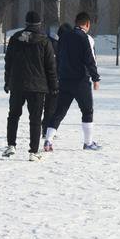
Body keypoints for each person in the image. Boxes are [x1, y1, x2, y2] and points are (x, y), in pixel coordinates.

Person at [3, 11, 58, 161]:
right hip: (37, 86)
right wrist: (53, 86)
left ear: (26, 23)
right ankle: (33, 151)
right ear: (39, 24)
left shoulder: (15, 39)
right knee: (35, 119)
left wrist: (7, 81)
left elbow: (8, 62)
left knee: (13, 115)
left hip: (17, 84)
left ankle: (11, 146)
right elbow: (50, 66)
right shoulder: (44, 41)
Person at [43, 12, 101, 151]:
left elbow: (59, 58)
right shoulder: (85, 38)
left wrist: (58, 75)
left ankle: (48, 140)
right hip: (80, 81)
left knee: (59, 111)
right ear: (87, 24)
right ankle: (88, 143)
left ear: (75, 22)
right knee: (87, 111)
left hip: (64, 80)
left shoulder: (63, 38)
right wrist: (95, 77)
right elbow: (89, 59)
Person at [42, 23, 72, 139]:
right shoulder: (57, 45)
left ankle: (46, 128)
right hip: (53, 79)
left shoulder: (52, 42)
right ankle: (46, 129)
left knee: (50, 106)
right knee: (51, 106)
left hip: (47, 78)